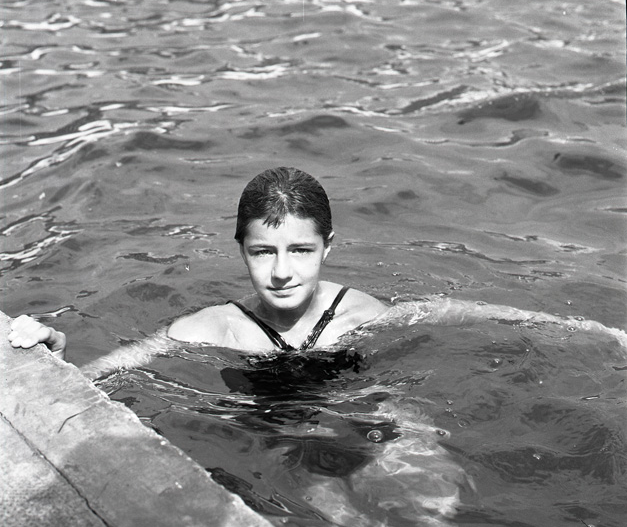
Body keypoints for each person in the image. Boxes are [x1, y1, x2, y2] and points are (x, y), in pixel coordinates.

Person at [7, 166, 627, 375]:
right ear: (240, 249)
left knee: (424, 484)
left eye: (300, 251)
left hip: (364, 412)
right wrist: (55, 351)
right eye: (263, 252)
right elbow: (106, 372)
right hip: (265, 432)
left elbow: (459, 312)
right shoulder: (214, 328)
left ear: (328, 247)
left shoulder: (359, 314)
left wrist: (588, 330)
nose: (281, 272)